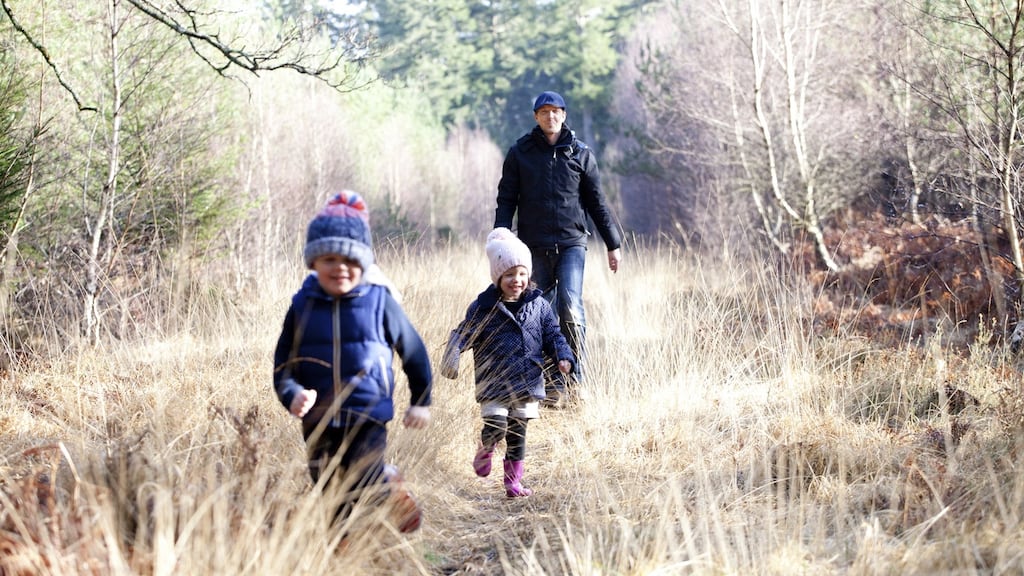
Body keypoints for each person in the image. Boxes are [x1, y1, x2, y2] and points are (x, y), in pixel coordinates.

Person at [272, 190, 432, 532]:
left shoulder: (379, 302)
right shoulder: (302, 306)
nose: (340, 267)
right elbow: (283, 365)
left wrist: (420, 401)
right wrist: (292, 393)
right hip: (317, 418)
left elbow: (414, 351)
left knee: (364, 477)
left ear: (364, 263)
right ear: (314, 262)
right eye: (329, 258)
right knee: (329, 488)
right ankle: (341, 546)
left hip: (367, 412)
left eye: (349, 259)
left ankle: (387, 487)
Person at [494, 90, 622, 402]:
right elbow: (506, 198)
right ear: (536, 117)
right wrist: (500, 235)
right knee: (538, 312)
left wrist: (612, 243)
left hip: (571, 244)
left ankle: (576, 381)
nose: (550, 116)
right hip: (532, 245)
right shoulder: (520, 153)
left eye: (556, 111)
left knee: (570, 306)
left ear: (563, 115)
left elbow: (596, 203)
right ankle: (550, 383)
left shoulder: (581, 154)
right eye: (544, 112)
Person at [440, 228, 575, 497]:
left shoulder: (539, 306)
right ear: (498, 277)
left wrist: (563, 356)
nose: (517, 280)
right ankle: (486, 447)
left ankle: (513, 484)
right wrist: (452, 357)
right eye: (510, 274)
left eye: (522, 274)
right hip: (494, 383)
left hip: (527, 382)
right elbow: (463, 334)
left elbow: (553, 335)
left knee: (517, 436)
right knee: (497, 426)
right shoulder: (483, 307)